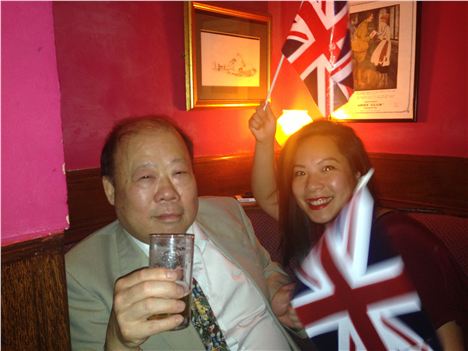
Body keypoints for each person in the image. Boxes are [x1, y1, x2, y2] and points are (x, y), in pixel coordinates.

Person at [66, 116, 301, 350]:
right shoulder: (81, 274)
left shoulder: (228, 212)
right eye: (146, 177)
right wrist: (120, 342)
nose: (168, 192)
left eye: (178, 173)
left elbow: (266, 268)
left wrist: (279, 292)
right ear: (111, 190)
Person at [248, 105, 466, 350]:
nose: (312, 185)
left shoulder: (400, 237)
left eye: (327, 168)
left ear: (356, 171)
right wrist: (265, 140)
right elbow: (268, 197)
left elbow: (450, 333)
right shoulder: (320, 225)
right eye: (300, 173)